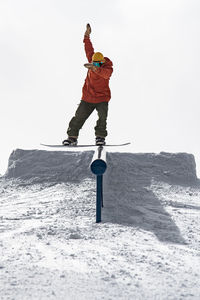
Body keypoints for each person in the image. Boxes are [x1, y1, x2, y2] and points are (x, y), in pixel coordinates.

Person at [63, 23, 113, 146]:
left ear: (101, 63)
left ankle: (100, 137)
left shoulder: (107, 68)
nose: (95, 66)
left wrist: (94, 68)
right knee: (79, 117)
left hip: (102, 98)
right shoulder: (92, 60)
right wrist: (86, 35)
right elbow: (88, 48)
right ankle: (72, 137)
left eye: (97, 64)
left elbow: (106, 75)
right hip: (88, 96)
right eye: (93, 64)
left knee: (102, 117)